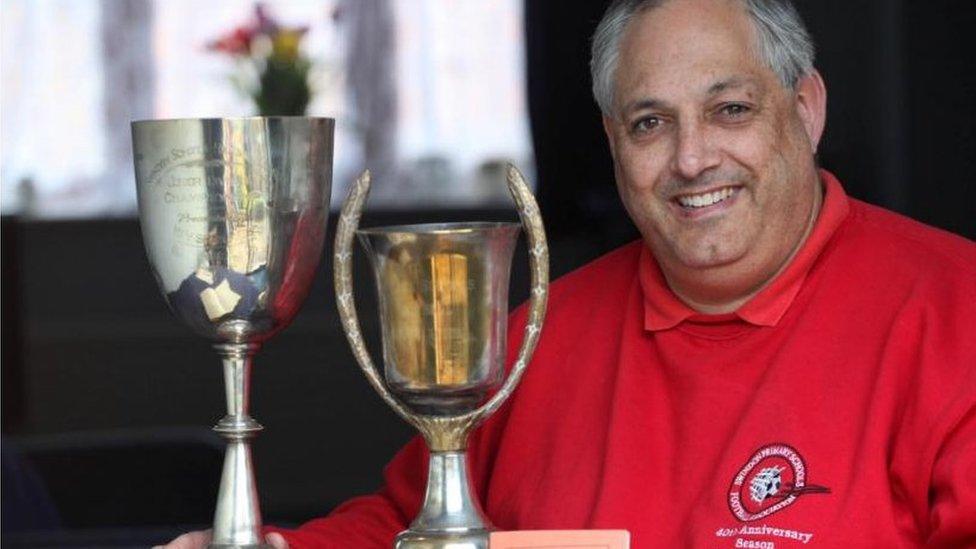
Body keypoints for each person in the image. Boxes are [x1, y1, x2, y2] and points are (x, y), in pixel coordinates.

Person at [162, 0, 976, 547]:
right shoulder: (531, 338)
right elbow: (409, 524)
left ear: (806, 111)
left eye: (731, 110)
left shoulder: (955, 313)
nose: (693, 159)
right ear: (613, 143)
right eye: (650, 122)